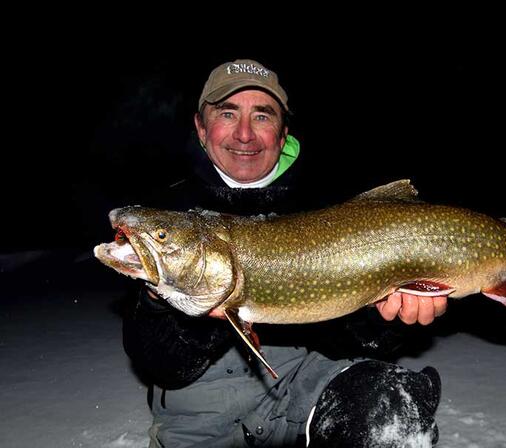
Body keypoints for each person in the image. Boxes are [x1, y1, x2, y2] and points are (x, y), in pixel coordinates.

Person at [122, 59, 449, 447]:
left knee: (391, 415)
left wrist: (389, 318)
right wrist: (173, 303)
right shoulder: (169, 215)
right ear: (201, 127)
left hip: (302, 387)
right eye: (228, 113)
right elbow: (159, 365)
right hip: (199, 414)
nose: (244, 134)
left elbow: (355, 340)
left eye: (262, 116)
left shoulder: (324, 209)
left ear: (282, 133)